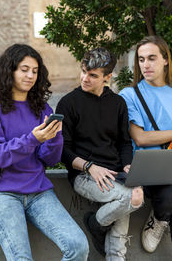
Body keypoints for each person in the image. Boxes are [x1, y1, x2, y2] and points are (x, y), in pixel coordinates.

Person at [0, 44, 89, 261]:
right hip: (3, 193)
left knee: (78, 246)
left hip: (39, 191)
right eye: (24, 69)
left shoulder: (43, 109)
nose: (30, 75)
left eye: (35, 71)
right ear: (10, 71)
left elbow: (50, 159)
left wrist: (55, 138)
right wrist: (33, 139)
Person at [55, 48, 144, 261]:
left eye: (93, 75)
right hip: (83, 175)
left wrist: (127, 166)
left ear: (107, 77)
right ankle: (95, 223)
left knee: (137, 197)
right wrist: (89, 167)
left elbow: (124, 142)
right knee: (129, 197)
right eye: (83, 71)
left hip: (115, 174)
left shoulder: (117, 103)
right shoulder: (68, 103)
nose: (85, 78)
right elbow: (62, 151)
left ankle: (104, 237)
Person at [119, 36, 172, 260]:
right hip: (147, 167)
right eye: (141, 59)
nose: (146, 65)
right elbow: (141, 138)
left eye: (152, 58)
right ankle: (162, 213)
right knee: (169, 193)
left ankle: (161, 217)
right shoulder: (129, 95)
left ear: (165, 60)